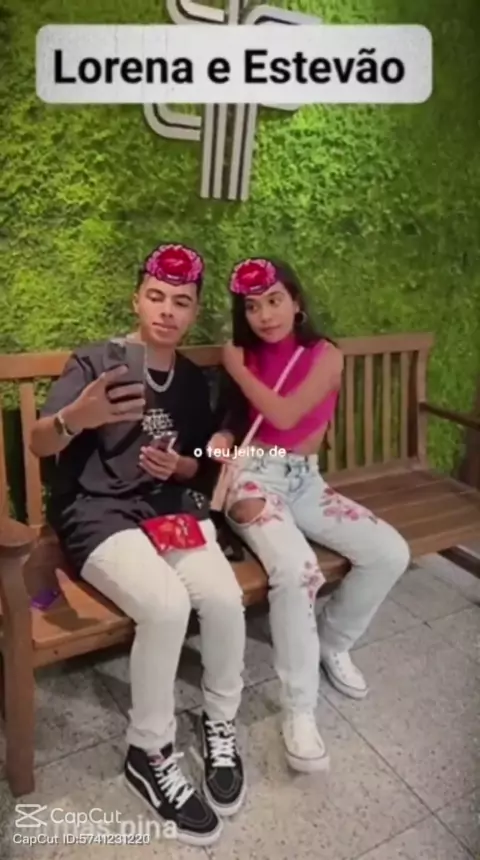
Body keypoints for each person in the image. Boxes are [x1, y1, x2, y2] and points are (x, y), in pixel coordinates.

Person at [29, 243, 246, 847]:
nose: (167, 311)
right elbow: (40, 442)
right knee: (167, 606)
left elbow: (198, 462)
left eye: (182, 301)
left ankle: (220, 725)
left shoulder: (191, 381)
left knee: (224, 599)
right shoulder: (96, 361)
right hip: (96, 513)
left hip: (166, 508)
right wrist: (78, 416)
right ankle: (148, 753)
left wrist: (183, 466)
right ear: (137, 300)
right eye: (156, 297)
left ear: (194, 311)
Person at [208, 257, 410, 774]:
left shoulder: (326, 355)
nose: (264, 315)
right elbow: (237, 418)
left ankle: (332, 642)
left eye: (274, 301)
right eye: (252, 307)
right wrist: (223, 437)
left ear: (296, 301)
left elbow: (284, 414)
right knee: (298, 572)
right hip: (253, 478)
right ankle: (300, 710)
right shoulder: (247, 354)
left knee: (390, 552)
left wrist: (233, 365)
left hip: (305, 480)